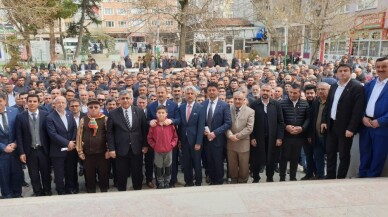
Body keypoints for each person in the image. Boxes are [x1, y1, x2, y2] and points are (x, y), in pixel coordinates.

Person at [321, 64, 365, 179]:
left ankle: (341, 177)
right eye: (340, 71)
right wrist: (324, 121)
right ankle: (330, 176)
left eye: (345, 70)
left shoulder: (357, 87)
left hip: (345, 128)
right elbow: (328, 105)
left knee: (343, 155)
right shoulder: (334, 86)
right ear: (336, 73)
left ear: (350, 72)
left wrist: (351, 128)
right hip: (331, 125)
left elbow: (358, 110)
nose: (343, 73)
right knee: (330, 153)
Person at [107, 90, 148, 191]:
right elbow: (110, 133)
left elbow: (144, 130)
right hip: (120, 149)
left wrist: (145, 145)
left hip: (136, 148)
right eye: (123, 98)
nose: (125, 100)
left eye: (127, 98)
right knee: (121, 173)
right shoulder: (113, 114)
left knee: (137, 172)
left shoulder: (139, 111)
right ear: (119, 100)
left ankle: (137, 190)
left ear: (131, 99)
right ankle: (122, 192)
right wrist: (111, 149)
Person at [16, 94, 51, 196]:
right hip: (30, 151)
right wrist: (21, 152)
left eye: (34, 101)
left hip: (43, 150)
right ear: (26, 102)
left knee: (46, 173)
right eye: (30, 101)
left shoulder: (46, 115)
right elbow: (19, 136)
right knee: (33, 174)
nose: (32, 103)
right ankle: (38, 192)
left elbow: (49, 134)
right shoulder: (20, 117)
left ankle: (47, 191)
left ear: (39, 102)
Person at [359, 57, 388, 177]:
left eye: (384, 66)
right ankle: (361, 177)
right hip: (366, 125)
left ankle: (371, 181)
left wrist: (380, 121)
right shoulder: (370, 84)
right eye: (378, 66)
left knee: (378, 157)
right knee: (365, 154)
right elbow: (360, 104)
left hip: (382, 128)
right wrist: (362, 117)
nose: (380, 69)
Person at [146, 86, 180, 188]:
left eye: (162, 92)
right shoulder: (151, 106)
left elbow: (179, 119)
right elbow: (147, 120)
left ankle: (171, 182)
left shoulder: (173, 105)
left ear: (166, 93)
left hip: (169, 142)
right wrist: (150, 122)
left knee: (171, 163)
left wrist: (172, 121)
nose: (160, 94)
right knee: (158, 165)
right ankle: (159, 183)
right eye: (158, 92)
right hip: (157, 143)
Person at [250, 84, 284, 182]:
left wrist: (279, 137)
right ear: (260, 91)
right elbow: (250, 123)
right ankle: (256, 177)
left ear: (271, 92)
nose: (265, 92)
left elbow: (281, 122)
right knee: (256, 159)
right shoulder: (254, 104)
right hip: (257, 137)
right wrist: (252, 137)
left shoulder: (276, 104)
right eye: (263, 90)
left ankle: (270, 177)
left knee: (271, 159)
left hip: (272, 138)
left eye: (267, 91)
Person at [76, 99, 110, 193]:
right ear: (88, 109)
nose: (93, 109)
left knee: (103, 173)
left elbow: (109, 135)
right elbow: (79, 135)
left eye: (96, 107)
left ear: (100, 108)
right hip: (88, 153)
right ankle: (91, 191)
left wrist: (108, 150)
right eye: (91, 107)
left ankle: (104, 190)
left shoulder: (105, 119)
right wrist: (80, 151)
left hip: (102, 153)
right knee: (89, 174)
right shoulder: (84, 120)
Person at [46, 96, 78, 195]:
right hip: (58, 150)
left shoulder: (69, 114)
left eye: (63, 103)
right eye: (58, 103)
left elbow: (74, 129)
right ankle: (60, 190)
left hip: (71, 149)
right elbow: (53, 134)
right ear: (54, 104)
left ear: (66, 104)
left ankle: (70, 188)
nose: (61, 104)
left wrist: (72, 142)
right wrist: (67, 143)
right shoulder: (50, 117)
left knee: (70, 170)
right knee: (59, 173)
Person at [202, 82, 232, 185]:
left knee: (218, 163)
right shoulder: (203, 104)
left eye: (213, 90)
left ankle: (219, 183)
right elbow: (201, 121)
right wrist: (203, 130)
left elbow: (228, 123)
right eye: (209, 90)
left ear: (218, 91)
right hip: (206, 140)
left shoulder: (224, 105)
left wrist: (215, 133)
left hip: (218, 140)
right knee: (208, 163)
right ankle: (211, 181)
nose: (211, 92)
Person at [280, 83, 310, 181]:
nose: (292, 95)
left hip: (299, 136)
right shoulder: (282, 103)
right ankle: (282, 177)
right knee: (284, 157)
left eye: (295, 93)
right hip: (286, 135)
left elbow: (308, 119)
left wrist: (302, 128)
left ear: (299, 92)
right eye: (291, 92)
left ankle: (292, 177)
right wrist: (286, 127)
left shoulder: (305, 104)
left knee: (295, 157)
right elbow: (279, 119)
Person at [178, 86, 205, 186]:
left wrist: (198, 142)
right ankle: (188, 182)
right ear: (184, 95)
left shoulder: (200, 108)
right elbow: (180, 126)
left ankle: (198, 182)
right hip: (184, 140)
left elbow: (201, 126)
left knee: (197, 163)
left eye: (191, 94)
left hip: (195, 141)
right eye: (187, 94)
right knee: (186, 163)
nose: (189, 96)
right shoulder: (181, 107)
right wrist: (180, 140)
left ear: (195, 95)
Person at [226, 91, 254, 183]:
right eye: (235, 99)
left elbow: (249, 128)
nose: (237, 101)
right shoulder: (228, 109)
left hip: (243, 143)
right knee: (232, 164)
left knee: (243, 165)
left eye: (239, 99)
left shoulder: (250, 111)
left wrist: (237, 136)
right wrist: (230, 135)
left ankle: (243, 181)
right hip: (231, 142)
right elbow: (225, 124)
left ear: (244, 100)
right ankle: (233, 180)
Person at [0, 93, 23, 199]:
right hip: (1, 153)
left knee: (17, 174)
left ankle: (17, 194)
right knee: (3, 176)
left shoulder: (14, 111)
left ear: (5, 101)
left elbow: (20, 130)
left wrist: (15, 143)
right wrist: (3, 147)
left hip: (15, 150)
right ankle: (7, 196)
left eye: (0, 101)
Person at [308, 82, 330, 179]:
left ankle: (329, 175)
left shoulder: (332, 102)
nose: (320, 91)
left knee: (330, 157)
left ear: (329, 90)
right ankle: (320, 175)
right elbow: (312, 119)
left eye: (323, 89)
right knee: (318, 157)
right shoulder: (315, 102)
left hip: (328, 136)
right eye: (319, 89)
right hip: (316, 135)